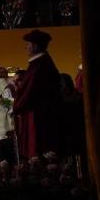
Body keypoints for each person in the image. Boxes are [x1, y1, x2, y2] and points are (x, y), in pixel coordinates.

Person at [13, 29, 63, 159]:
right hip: (39, 111)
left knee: (40, 150)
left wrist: (17, 107)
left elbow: (30, 90)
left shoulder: (40, 65)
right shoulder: (41, 63)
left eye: (28, 45)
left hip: (39, 114)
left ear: (35, 46)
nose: (26, 48)